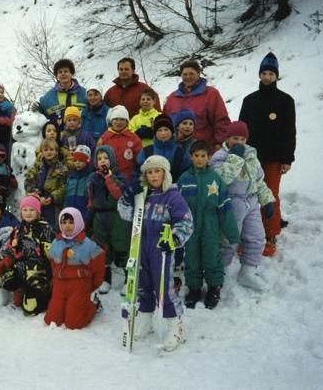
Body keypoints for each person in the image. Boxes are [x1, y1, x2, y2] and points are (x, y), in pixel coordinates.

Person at [119, 155, 193, 352]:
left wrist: (174, 240)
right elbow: (125, 214)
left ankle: (174, 324)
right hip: (140, 246)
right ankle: (145, 319)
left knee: (164, 288)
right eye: (149, 172)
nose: (153, 175)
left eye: (157, 171)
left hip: (161, 250)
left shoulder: (172, 196)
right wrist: (127, 196)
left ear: (165, 173)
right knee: (142, 285)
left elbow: (185, 221)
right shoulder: (142, 195)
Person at [239, 52, 296, 256]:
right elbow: (241, 130)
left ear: (276, 76)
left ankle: (270, 234)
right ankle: (246, 233)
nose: (267, 77)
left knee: (269, 194)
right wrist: (239, 153)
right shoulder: (249, 100)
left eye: (271, 73)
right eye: (264, 73)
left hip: (274, 157)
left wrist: (287, 158)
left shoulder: (286, 101)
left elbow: (290, 131)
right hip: (251, 157)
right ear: (259, 75)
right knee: (247, 194)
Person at [209, 121, 276, 292]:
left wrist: (267, 199)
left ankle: (247, 271)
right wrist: (235, 158)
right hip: (231, 203)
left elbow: (259, 181)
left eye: (242, 139)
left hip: (251, 201)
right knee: (228, 240)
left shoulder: (252, 155)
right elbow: (220, 180)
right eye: (234, 138)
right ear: (228, 138)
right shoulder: (220, 156)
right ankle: (219, 271)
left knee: (256, 237)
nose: (238, 142)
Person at [177, 141, 240, 309]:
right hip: (190, 226)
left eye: (203, 156)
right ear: (191, 157)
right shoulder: (184, 179)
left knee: (212, 256)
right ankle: (194, 288)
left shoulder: (215, 178)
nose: (199, 159)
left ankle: (214, 287)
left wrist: (232, 233)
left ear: (208, 157)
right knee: (192, 257)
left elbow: (225, 206)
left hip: (210, 225)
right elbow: (177, 207)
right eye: (196, 156)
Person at [44, 208, 105, 329]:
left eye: (71, 222)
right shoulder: (56, 242)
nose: (67, 226)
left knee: (74, 323)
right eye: (64, 222)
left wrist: (93, 286)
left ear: (78, 222)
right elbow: (52, 263)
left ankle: (93, 304)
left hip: (79, 284)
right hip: (60, 285)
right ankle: (69, 306)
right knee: (51, 320)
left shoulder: (88, 244)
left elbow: (98, 268)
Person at [0, 195, 55, 316]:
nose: (28, 213)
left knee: (29, 310)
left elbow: (52, 255)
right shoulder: (18, 230)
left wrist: (54, 277)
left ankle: (43, 294)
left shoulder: (46, 229)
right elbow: (12, 248)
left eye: (32, 210)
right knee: (0, 279)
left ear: (37, 212)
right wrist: (5, 262)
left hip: (39, 274)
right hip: (21, 269)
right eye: (25, 210)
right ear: (21, 212)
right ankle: (21, 289)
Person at [87, 145, 131, 294]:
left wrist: (109, 177)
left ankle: (127, 278)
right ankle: (106, 278)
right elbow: (91, 200)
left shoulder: (120, 177)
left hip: (118, 216)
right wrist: (89, 219)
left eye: (105, 158)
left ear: (111, 160)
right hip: (100, 216)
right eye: (99, 159)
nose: (102, 161)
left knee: (122, 246)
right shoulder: (92, 178)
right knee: (101, 248)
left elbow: (119, 194)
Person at [163, 60, 230, 151]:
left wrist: (219, 143)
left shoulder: (211, 94)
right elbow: (165, 123)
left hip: (202, 151)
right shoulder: (172, 97)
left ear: (198, 74)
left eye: (191, 74)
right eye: (185, 74)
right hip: (175, 150)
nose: (188, 77)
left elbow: (221, 121)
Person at [24, 138, 69, 227]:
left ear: (56, 151)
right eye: (46, 150)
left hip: (53, 204)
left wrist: (52, 197)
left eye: (51, 150)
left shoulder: (62, 169)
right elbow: (28, 182)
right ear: (42, 152)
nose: (49, 152)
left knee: (50, 228)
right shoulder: (37, 167)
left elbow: (64, 187)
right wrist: (36, 195)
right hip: (36, 202)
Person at [135, 114, 191, 184]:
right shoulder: (146, 151)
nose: (163, 133)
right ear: (155, 133)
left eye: (166, 130)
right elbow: (137, 173)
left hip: (175, 190)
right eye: (159, 130)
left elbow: (186, 173)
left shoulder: (180, 152)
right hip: (151, 192)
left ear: (172, 131)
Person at [36, 58, 87, 127]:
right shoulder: (48, 97)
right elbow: (41, 116)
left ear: (71, 73)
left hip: (82, 136)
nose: (63, 74)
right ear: (57, 76)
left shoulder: (85, 93)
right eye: (60, 72)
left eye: (66, 71)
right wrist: (37, 108)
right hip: (58, 136)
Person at [97, 105, 143, 181]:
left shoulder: (133, 138)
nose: (119, 122)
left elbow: (140, 158)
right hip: (108, 177)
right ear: (111, 121)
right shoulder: (104, 138)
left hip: (129, 178)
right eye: (116, 119)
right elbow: (97, 157)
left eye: (122, 119)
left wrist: (136, 175)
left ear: (127, 121)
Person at [64, 145, 94, 222]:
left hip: (84, 214)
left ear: (87, 161)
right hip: (70, 214)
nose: (77, 163)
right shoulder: (70, 177)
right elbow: (66, 197)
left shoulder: (90, 177)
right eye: (75, 160)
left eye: (80, 160)